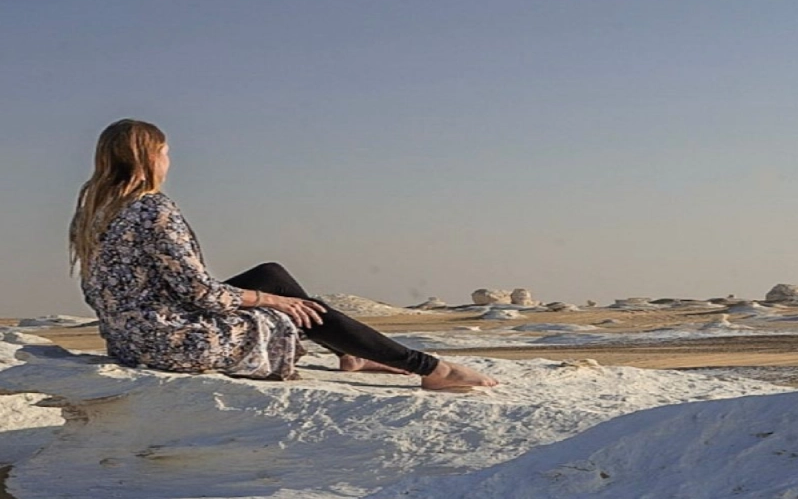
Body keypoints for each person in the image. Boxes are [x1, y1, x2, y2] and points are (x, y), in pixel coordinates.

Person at [68, 119, 497, 390]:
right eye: (165, 152)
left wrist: (267, 290)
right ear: (148, 156)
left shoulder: (91, 214)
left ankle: (350, 353)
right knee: (286, 299)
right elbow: (201, 294)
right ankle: (428, 369)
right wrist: (272, 301)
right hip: (172, 340)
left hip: (128, 340)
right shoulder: (152, 207)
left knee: (269, 273)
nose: (169, 160)